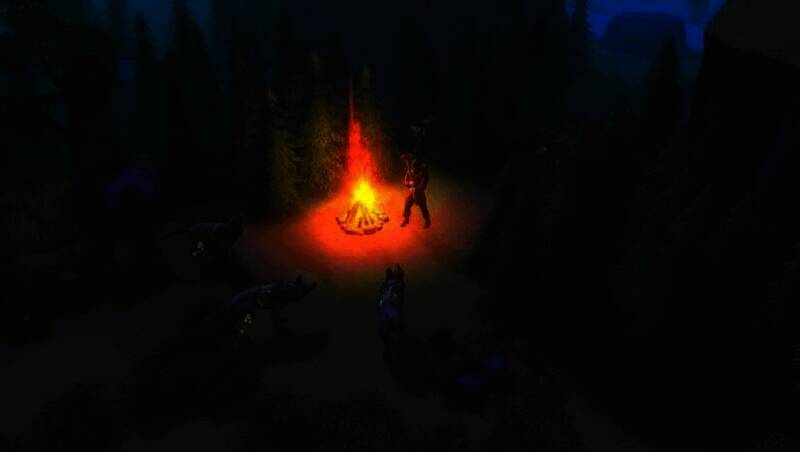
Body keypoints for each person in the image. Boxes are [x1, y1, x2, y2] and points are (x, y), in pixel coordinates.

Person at [378, 264, 406, 361]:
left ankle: (394, 352)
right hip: (388, 308)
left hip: (390, 308)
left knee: (392, 329)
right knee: (389, 329)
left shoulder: (396, 284)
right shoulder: (391, 284)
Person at [400, 154, 431, 228]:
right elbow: (406, 177)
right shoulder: (411, 171)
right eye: (412, 167)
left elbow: (423, 185)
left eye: (415, 167)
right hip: (412, 194)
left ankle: (427, 221)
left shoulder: (422, 174)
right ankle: (406, 218)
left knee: (423, 208)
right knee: (407, 203)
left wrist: (415, 189)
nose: (413, 169)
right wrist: (407, 183)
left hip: (420, 195)